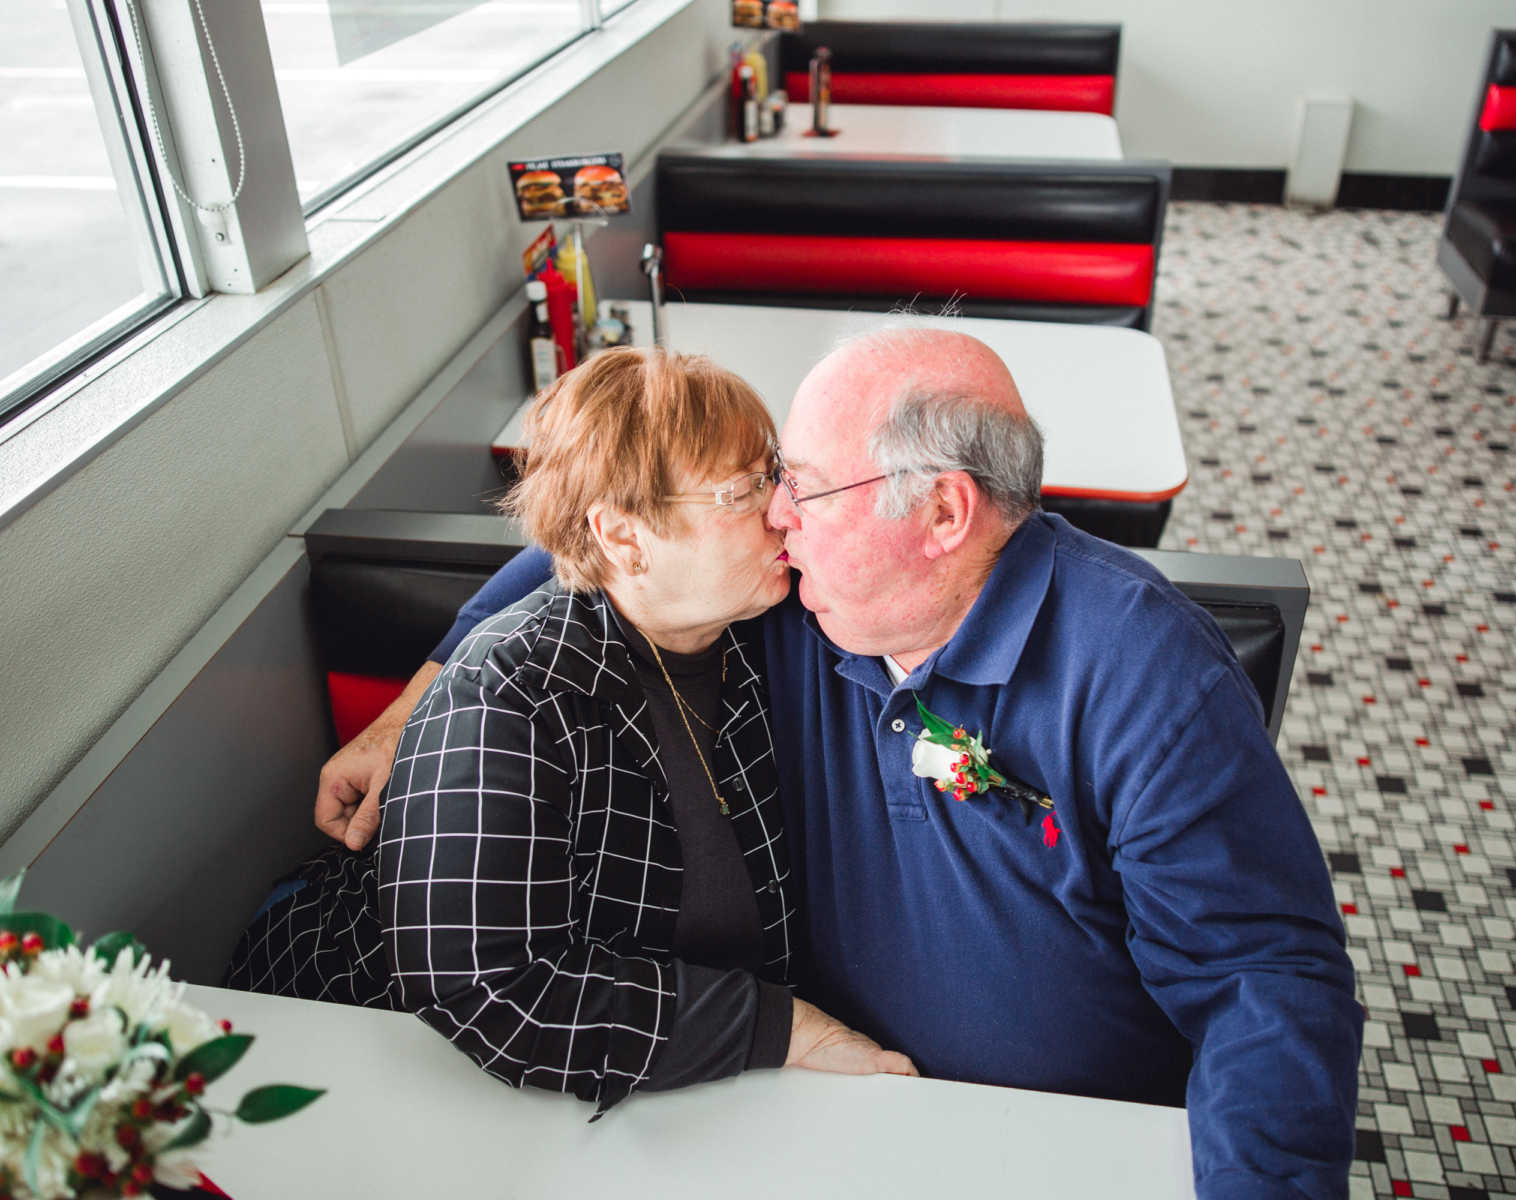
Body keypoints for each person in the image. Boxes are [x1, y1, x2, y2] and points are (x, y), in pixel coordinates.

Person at [316, 328, 1362, 1198]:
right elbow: (607, 532)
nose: (775, 516)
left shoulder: (1145, 678)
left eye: (800, 487)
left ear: (942, 515)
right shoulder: (801, 604)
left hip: (1058, 1145)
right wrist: (418, 695)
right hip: (810, 1113)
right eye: (763, 489)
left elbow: (1263, 984)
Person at [232, 347, 915, 1112]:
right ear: (624, 538)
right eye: (741, 491)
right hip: (362, 1061)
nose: (781, 509)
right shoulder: (510, 700)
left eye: (776, 474)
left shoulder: (757, 633)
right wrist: (787, 1030)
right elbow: (488, 987)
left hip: (680, 1094)